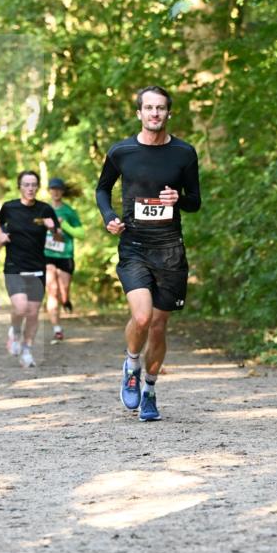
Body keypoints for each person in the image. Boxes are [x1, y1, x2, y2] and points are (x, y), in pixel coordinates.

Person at [96, 85, 201, 421]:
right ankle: (131, 365)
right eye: (149, 108)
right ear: (139, 113)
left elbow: (195, 201)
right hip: (135, 246)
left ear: (168, 113)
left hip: (170, 250)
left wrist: (178, 200)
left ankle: (150, 391)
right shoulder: (121, 151)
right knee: (141, 317)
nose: (155, 113)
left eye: (161, 108)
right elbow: (102, 189)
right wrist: (109, 217)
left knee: (158, 325)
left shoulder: (184, 153)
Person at [0, 170, 61, 368]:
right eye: (26, 185)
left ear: (37, 187)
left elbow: (60, 238)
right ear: (20, 187)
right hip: (14, 265)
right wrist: (0, 235)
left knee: (32, 313)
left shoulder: (45, 209)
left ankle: (27, 349)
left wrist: (52, 228)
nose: (30, 188)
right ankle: (14, 331)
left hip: (37, 267)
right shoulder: (9, 207)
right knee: (20, 307)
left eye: (33, 185)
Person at [44, 177, 85, 343]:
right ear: (49, 191)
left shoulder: (69, 211)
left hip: (65, 255)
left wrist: (64, 226)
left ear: (62, 192)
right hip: (47, 254)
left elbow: (81, 234)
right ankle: (57, 329)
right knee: (52, 290)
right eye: (53, 189)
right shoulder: (43, 210)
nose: (55, 192)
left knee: (63, 290)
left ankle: (66, 300)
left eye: (58, 189)